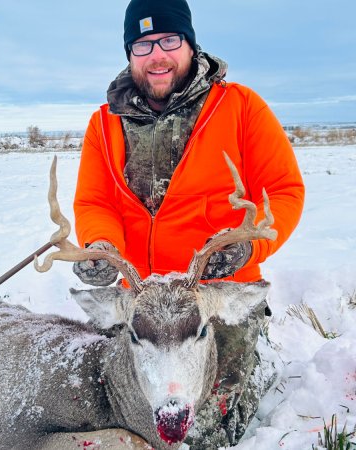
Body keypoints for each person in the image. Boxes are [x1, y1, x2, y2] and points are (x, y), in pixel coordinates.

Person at [71, 0, 304, 446]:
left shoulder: (240, 107)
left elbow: (284, 190)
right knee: (114, 414)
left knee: (195, 433)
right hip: (140, 301)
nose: (156, 55)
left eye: (168, 40)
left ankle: (257, 362)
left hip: (214, 297)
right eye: (142, 45)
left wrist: (248, 249)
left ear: (190, 45)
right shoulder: (103, 124)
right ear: (129, 53)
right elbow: (95, 201)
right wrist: (101, 246)